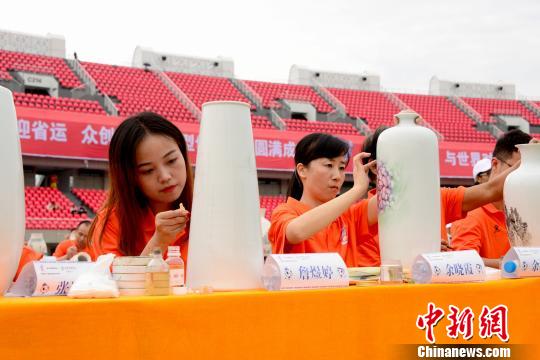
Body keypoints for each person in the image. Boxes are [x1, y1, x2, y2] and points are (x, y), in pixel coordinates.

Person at [359, 123, 520, 266]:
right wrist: (421, 253)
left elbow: (490, 190)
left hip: (439, 297)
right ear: (374, 166)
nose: (416, 163)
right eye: (405, 156)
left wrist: (529, 159)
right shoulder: (362, 219)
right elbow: (376, 278)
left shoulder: (438, 198)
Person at [88, 112, 193, 262]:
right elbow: (115, 281)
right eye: (148, 170)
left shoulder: (210, 212)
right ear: (128, 177)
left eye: (171, 160)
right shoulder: (110, 223)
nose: (165, 176)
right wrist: (159, 242)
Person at [268, 133, 377, 267]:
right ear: (302, 170)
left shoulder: (349, 216)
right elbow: (296, 232)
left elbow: (391, 198)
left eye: (341, 168)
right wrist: (357, 189)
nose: (337, 176)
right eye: (329, 165)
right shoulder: (284, 212)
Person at [451, 130, 532, 268]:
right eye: (517, 168)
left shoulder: (527, 211)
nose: (524, 177)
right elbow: (463, 262)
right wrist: (510, 264)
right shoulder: (470, 213)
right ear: (495, 165)